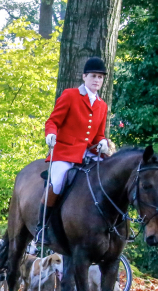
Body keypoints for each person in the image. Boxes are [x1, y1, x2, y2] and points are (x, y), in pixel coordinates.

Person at [35, 56, 112, 244]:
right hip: (66, 152)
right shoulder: (70, 95)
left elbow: (98, 135)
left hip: (89, 153)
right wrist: (50, 134)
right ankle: (41, 227)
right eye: (93, 76)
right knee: (58, 182)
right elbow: (53, 121)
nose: (97, 80)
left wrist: (102, 142)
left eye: (100, 77)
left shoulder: (102, 105)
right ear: (84, 77)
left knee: (110, 176)